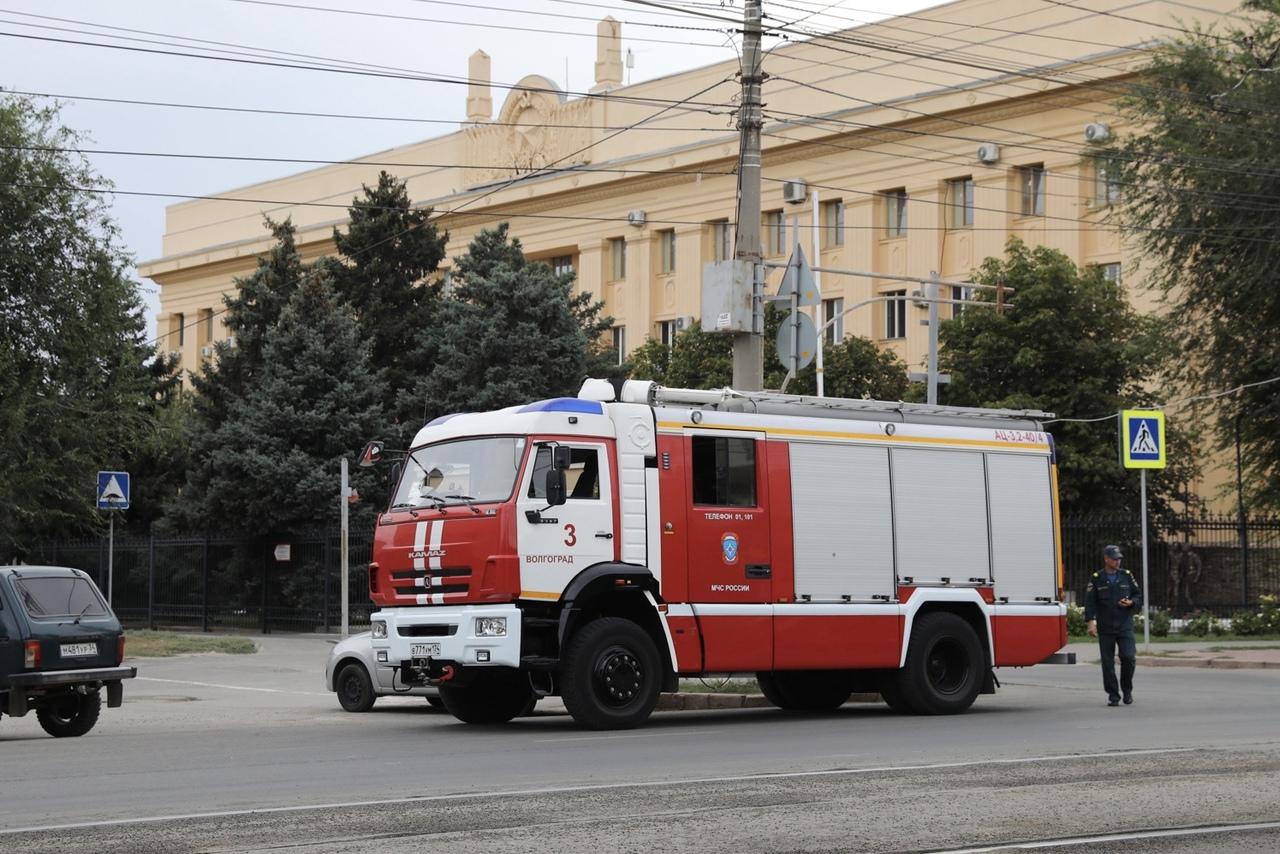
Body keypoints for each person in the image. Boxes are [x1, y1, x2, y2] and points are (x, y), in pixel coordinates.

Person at [1084, 545, 1143, 706]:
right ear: (1106, 559)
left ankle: (1127, 690)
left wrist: (1131, 602)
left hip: (1124, 624)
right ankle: (1113, 695)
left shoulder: (1126, 576)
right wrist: (1090, 622)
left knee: (1129, 657)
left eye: (1119, 558)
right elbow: (1090, 602)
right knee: (1108, 663)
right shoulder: (1097, 578)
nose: (1118, 561)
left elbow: (1138, 595)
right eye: (1114, 558)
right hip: (1106, 625)